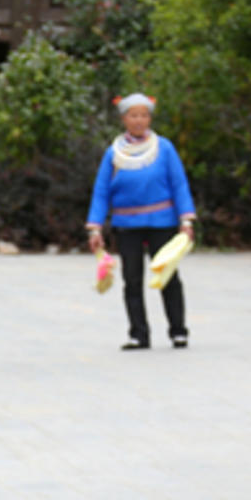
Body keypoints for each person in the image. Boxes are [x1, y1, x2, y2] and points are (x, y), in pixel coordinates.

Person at [85, 94, 196, 351]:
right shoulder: (113, 153)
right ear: (124, 119)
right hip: (127, 224)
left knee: (168, 276)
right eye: (133, 115)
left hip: (162, 222)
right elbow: (101, 192)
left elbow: (179, 184)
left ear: (150, 118)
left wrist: (186, 220)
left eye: (143, 115)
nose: (139, 120)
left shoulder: (165, 148)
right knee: (132, 279)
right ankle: (138, 334)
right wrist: (95, 228)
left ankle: (178, 331)